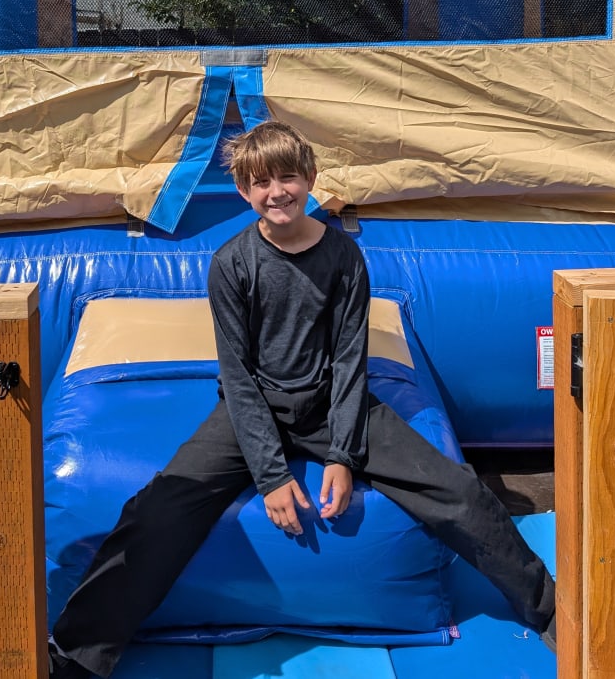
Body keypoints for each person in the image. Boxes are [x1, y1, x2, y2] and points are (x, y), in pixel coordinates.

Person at [49, 121, 556, 678]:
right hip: (253, 407)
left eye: (287, 178)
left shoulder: (343, 258)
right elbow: (237, 374)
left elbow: (349, 359)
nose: (277, 193)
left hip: (329, 404)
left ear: (310, 178)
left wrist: (342, 454)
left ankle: (548, 607)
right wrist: (270, 475)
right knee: (158, 508)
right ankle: (77, 654)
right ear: (244, 191)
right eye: (261, 183)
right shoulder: (232, 263)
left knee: (458, 490)